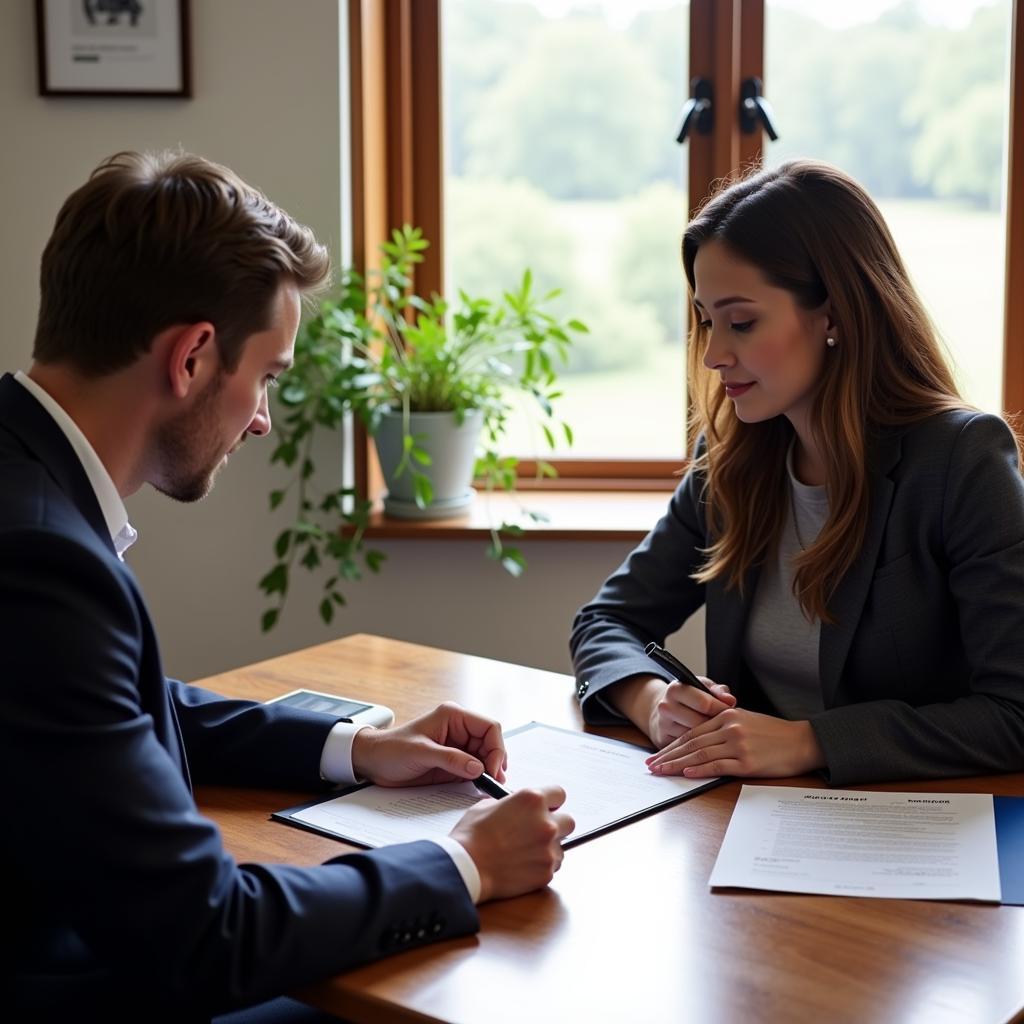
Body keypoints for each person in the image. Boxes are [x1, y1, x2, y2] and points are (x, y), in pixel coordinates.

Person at [0, 150, 574, 1023]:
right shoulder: (43, 562)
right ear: (193, 356)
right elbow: (208, 935)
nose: (264, 420)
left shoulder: (22, 484)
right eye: (266, 377)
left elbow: (111, 707)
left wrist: (356, 747)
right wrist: (466, 863)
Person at [571, 159, 1024, 788]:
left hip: (916, 829)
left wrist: (809, 742)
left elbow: (1014, 713)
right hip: (748, 821)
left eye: (742, 321)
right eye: (707, 319)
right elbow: (605, 621)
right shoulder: (727, 460)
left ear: (834, 314)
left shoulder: (961, 460)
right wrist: (652, 702)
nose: (713, 353)